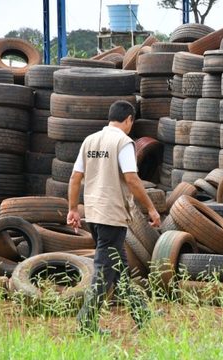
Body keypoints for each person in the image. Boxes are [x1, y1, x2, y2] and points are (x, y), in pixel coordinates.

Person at [66, 100, 161, 334]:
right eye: (132, 122)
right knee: (104, 271)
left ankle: (142, 315)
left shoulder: (90, 140)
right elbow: (131, 179)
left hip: (95, 215)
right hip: (112, 216)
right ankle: (85, 324)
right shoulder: (123, 142)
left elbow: (75, 177)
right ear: (129, 120)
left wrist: (73, 209)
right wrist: (150, 208)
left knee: (119, 270)